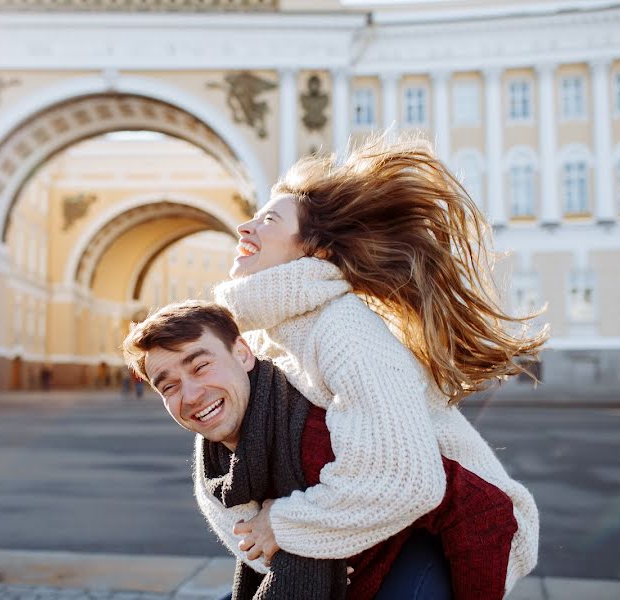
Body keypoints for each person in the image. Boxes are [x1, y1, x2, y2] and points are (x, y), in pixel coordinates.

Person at [205, 135, 548, 599]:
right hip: (377, 531)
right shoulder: (268, 340)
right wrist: (287, 549)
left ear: (317, 250)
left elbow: (408, 480)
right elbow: (235, 478)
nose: (245, 228)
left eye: (269, 219)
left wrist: (285, 528)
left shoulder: (344, 328)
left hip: (449, 535)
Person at [123, 301, 452, 599]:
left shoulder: (318, 427)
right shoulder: (215, 467)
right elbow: (259, 554)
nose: (191, 395)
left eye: (200, 366)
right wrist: (302, 552)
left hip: (416, 561)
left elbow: (466, 497)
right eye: (169, 386)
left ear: (242, 353)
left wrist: (295, 532)